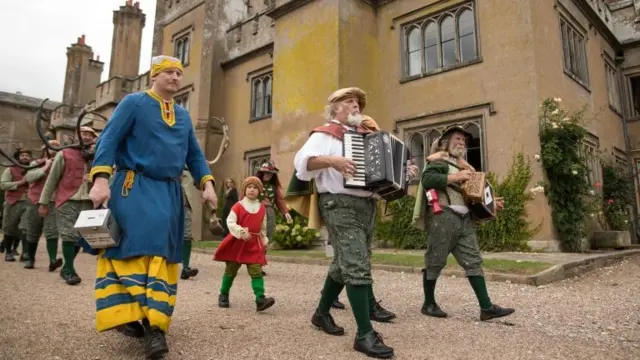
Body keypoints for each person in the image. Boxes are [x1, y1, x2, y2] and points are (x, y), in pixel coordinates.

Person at [87, 55, 217, 360]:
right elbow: (108, 140)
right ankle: (152, 326)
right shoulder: (133, 103)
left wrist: (207, 184)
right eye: (168, 72)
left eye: (178, 72)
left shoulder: (184, 116)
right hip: (134, 185)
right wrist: (101, 179)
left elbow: (195, 156)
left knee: (163, 253)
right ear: (154, 77)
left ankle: (140, 314)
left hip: (170, 191)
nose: (175, 76)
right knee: (140, 248)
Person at [292, 87, 418, 359]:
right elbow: (302, 163)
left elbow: (385, 173)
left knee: (344, 263)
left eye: (358, 103)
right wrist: (332, 161)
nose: (356, 106)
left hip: (367, 205)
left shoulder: (368, 138)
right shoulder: (326, 134)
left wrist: (405, 171)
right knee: (357, 264)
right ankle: (364, 334)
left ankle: (321, 314)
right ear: (335, 107)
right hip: (339, 203)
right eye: (349, 102)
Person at [419, 125, 515, 321]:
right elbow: (427, 179)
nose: (461, 142)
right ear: (445, 142)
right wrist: (455, 176)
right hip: (443, 217)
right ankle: (428, 304)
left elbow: (472, 195)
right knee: (435, 261)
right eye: (457, 139)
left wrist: (492, 203)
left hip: (464, 220)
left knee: (473, 260)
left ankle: (486, 307)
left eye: (463, 140)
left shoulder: (464, 166)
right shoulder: (440, 160)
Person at [39, 127, 99, 285]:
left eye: (89, 135)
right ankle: (70, 271)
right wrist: (43, 202)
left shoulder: (96, 155)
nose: (86, 137)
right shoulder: (63, 153)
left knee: (80, 237)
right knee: (68, 235)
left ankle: (66, 267)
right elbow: (52, 179)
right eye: (83, 133)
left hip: (88, 200)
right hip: (67, 199)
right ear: (76, 136)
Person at [213, 176, 275, 311]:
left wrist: (264, 239)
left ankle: (260, 298)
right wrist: (240, 231)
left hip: (253, 244)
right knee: (231, 270)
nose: (252, 190)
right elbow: (230, 222)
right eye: (249, 187)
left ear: (259, 191)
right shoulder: (238, 206)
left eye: (255, 188)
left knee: (256, 271)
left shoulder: (261, 208)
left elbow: (262, 227)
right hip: (238, 243)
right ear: (244, 189)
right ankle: (223, 294)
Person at [23, 140, 63, 270]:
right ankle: (30, 258)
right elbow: (29, 178)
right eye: (51, 147)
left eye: (57, 147)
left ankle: (52, 260)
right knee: (33, 230)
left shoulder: (62, 163)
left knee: (52, 231)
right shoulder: (35, 163)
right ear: (45, 148)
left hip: (52, 202)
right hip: (34, 200)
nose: (54, 149)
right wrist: (45, 166)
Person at [255, 160, 292, 276]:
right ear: (261, 173)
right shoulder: (253, 183)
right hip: (255, 211)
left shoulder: (274, 186)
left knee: (266, 239)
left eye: (270, 174)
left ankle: (258, 265)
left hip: (269, 212)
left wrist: (286, 212)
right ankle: (253, 263)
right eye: (265, 173)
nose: (267, 175)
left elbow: (280, 200)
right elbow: (243, 197)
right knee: (255, 238)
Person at [1, 148, 32, 262]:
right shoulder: (10, 170)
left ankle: (25, 253)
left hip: (29, 202)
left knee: (25, 228)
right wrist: (20, 183)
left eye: (27, 155)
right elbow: (3, 185)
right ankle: (8, 253)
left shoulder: (33, 170)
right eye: (22, 155)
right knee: (9, 228)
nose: (25, 157)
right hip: (12, 202)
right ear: (18, 157)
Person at [180, 170, 199, 280]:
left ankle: (186, 268)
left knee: (187, 235)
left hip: (186, 207)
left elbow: (200, 182)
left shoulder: (189, 170)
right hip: (169, 206)